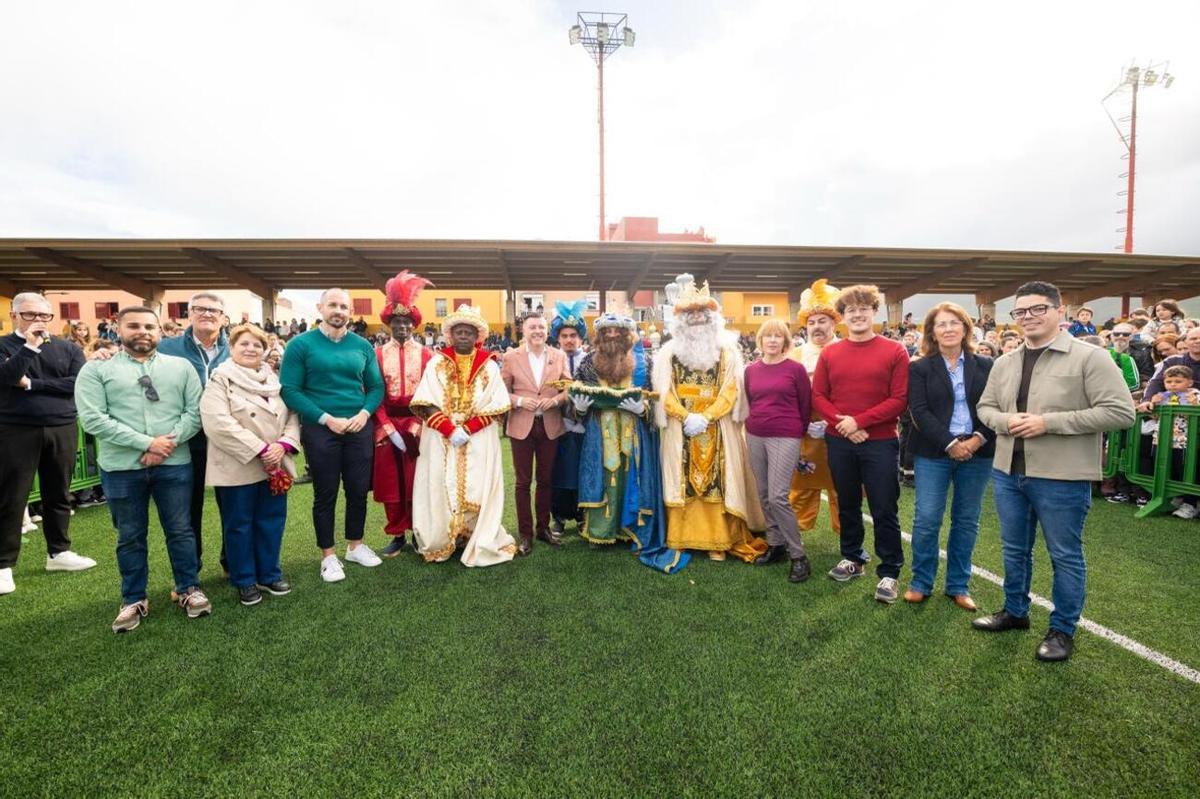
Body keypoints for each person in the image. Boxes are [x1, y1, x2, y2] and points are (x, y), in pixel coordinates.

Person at [974, 281, 1136, 661]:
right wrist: (1005, 419)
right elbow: (985, 408)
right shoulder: (1005, 361)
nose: (1028, 317)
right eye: (1020, 312)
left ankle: (1062, 629)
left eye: (1037, 309)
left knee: (1064, 554)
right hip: (1007, 471)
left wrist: (1049, 422)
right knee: (1015, 549)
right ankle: (1015, 612)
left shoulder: (1089, 357)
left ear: (1059, 311)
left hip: (1062, 476)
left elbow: (1121, 412)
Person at [75, 306, 210, 632]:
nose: (143, 331)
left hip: (174, 463)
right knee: (130, 535)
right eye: (133, 326)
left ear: (160, 331)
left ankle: (188, 588)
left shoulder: (181, 368)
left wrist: (166, 444)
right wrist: (146, 444)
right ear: (117, 330)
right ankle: (133, 598)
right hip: (122, 467)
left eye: (149, 326)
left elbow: (195, 412)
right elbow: (93, 418)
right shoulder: (95, 371)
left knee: (180, 530)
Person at [654, 274, 767, 562]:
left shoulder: (727, 351)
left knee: (719, 479)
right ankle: (681, 537)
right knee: (681, 479)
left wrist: (706, 416)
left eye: (701, 313)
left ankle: (719, 540)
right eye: (689, 314)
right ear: (681, 320)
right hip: (681, 426)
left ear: (711, 318)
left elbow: (731, 388)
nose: (695, 318)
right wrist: (684, 415)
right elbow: (664, 392)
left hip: (717, 425)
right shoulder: (668, 353)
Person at [569, 312, 689, 573]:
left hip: (635, 432)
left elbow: (655, 401)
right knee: (602, 477)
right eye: (607, 332)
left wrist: (642, 409)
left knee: (632, 476)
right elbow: (576, 398)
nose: (613, 335)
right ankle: (601, 531)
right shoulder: (588, 362)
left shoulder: (643, 361)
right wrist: (578, 408)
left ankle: (631, 528)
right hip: (599, 432)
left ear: (628, 335)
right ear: (600, 336)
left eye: (618, 331)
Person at [280, 288, 385, 583]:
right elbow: (289, 390)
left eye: (343, 306)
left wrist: (364, 414)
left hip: (357, 427)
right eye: (333, 305)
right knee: (325, 492)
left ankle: (355, 545)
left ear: (350, 312)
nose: (338, 310)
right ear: (320, 308)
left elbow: (376, 387)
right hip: (320, 428)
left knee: (357, 489)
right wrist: (326, 419)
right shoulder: (300, 345)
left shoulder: (362, 346)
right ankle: (328, 556)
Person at [813, 284, 909, 604]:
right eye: (851, 310)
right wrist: (845, 424)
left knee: (884, 507)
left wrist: (860, 422)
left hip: (880, 441)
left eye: (863, 308)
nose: (857, 314)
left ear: (874, 312)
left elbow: (898, 399)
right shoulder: (830, 352)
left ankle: (890, 572)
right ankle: (852, 558)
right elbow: (819, 396)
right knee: (847, 502)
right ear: (843, 317)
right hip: (840, 440)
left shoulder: (895, 350)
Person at [0, 293, 97, 597]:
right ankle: (3, 565)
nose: (38, 321)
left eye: (44, 316)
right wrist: (29, 347)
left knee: (60, 492)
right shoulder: (5, 346)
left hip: (62, 426)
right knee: (11, 496)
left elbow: (77, 383)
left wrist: (31, 385)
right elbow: (6, 377)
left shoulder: (67, 348)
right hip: (16, 428)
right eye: (30, 315)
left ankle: (59, 552)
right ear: (15, 315)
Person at [200, 324, 300, 605]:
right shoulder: (221, 379)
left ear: (265, 349)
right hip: (239, 464)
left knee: (271, 521)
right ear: (231, 348)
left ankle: (269, 573)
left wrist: (283, 445)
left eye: (256, 345)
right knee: (239, 524)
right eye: (243, 344)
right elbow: (217, 422)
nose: (250, 349)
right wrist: (261, 449)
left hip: (275, 463)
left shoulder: (274, 380)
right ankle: (244, 579)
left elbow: (292, 416)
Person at [904, 302, 995, 610]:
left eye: (954, 323)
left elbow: (996, 408)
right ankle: (921, 582)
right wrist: (950, 443)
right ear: (932, 331)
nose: (948, 329)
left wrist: (977, 438)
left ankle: (958, 584)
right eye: (941, 324)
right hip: (933, 452)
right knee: (928, 518)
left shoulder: (986, 365)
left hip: (978, 452)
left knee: (966, 520)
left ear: (966, 328)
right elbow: (919, 411)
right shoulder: (919, 368)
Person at [411, 305, 516, 566]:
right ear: (451, 334)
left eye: (469, 332)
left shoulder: (489, 366)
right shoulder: (436, 362)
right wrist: (448, 428)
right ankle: (444, 538)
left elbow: (497, 404)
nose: (463, 336)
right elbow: (427, 401)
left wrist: (468, 428)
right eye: (459, 332)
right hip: (441, 437)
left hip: (478, 438)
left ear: (476, 335)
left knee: (478, 486)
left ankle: (473, 535)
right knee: (440, 483)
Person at [158, 292, 230, 574]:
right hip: (186, 439)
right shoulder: (166, 348)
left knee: (233, 507)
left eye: (214, 310)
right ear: (189, 314)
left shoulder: (236, 348)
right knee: (187, 511)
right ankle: (190, 571)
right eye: (200, 309)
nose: (207, 314)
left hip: (226, 441)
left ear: (224, 318)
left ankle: (232, 562)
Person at [371, 271, 434, 557]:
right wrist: (386, 426)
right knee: (390, 481)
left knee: (417, 479)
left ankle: (420, 530)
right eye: (397, 322)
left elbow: (433, 393)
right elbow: (372, 393)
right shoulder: (376, 354)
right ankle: (396, 533)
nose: (402, 327)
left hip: (417, 423)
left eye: (407, 322)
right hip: (386, 424)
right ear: (389, 324)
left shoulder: (427, 355)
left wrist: (418, 424)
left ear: (414, 325)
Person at [744, 319, 813, 582]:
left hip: (786, 435)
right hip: (755, 434)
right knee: (763, 493)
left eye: (778, 336)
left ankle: (798, 555)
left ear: (785, 341)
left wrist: (799, 436)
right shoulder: (751, 370)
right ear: (760, 341)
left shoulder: (795, 369)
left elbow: (805, 406)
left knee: (778, 496)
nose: (772, 340)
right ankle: (776, 545)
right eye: (767, 336)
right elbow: (752, 402)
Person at [502, 313, 570, 555]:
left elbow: (569, 388)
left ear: (547, 330)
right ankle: (525, 534)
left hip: (550, 424)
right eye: (533, 327)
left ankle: (543, 528)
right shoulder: (510, 357)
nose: (538, 331)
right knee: (522, 482)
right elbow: (501, 391)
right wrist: (520, 400)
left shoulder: (559, 355)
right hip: (522, 425)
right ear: (524, 330)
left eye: (542, 327)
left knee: (546, 480)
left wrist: (555, 401)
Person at [788, 280, 846, 544]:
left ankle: (850, 545)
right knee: (800, 488)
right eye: (812, 322)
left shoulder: (849, 351)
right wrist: (802, 424)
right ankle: (791, 541)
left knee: (843, 490)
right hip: (806, 434)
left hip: (841, 433)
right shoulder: (795, 356)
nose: (817, 327)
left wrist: (833, 421)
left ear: (834, 323)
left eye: (823, 321)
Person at [548, 299, 589, 536]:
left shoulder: (590, 360)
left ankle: (583, 515)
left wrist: (583, 411)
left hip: (586, 426)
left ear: (580, 337)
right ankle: (559, 517)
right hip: (558, 424)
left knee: (584, 471)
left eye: (573, 335)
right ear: (558, 337)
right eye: (564, 335)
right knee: (559, 471)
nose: (569, 340)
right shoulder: (550, 360)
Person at [1145, 365, 1200, 519]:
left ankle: (1191, 503)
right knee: (1165, 469)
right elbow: (1155, 418)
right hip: (1161, 440)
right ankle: (1174, 498)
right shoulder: (1162, 396)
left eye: (1178, 381)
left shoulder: (1195, 394)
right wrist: (1154, 404)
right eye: (1169, 381)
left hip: (1185, 442)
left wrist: (1195, 404)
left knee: (1186, 471)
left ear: (1189, 382)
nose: (1173, 384)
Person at [1139, 326, 1200, 412]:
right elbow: (1156, 382)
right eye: (1193, 339)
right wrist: (1147, 400)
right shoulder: (1172, 361)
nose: (1198, 341)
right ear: (1186, 342)